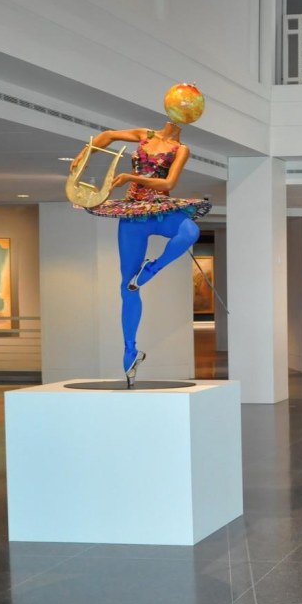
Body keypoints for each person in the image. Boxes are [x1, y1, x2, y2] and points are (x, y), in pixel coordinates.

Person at [69, 83, 211, 385]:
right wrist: (84, 154)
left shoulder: (181, 150)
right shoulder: (145, 136)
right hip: (134, 213)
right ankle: (130, 349)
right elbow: (107, 136)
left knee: (190, 231)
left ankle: (152, 268)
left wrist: (130, 176)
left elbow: (167, 182)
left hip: (159, 209)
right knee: (127, 287)